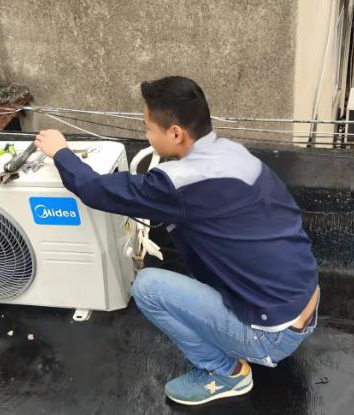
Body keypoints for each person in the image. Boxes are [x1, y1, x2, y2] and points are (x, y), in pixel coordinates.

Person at [33, 76, 320, 406]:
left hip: (273, 335)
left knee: (148, 287)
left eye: (147, 128)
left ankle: (225, 373)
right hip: (304, 304)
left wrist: (60, 151)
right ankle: (240, 336)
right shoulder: (234, 155)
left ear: (175, 134)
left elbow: (95, 190)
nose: (146, 136)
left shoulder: (177, 186)